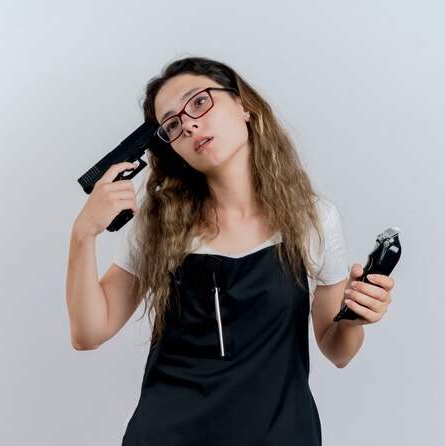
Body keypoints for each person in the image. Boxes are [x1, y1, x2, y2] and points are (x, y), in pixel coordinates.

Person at [66, 56, 395, 445]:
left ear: (245, 107)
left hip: (280, 433)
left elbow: (336, 349)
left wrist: (355, 319)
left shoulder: (313, 219)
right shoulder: (160, 225)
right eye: (172, 125)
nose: (188, 123)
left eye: (200, 102)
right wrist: (83, 233)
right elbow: (88, 333)